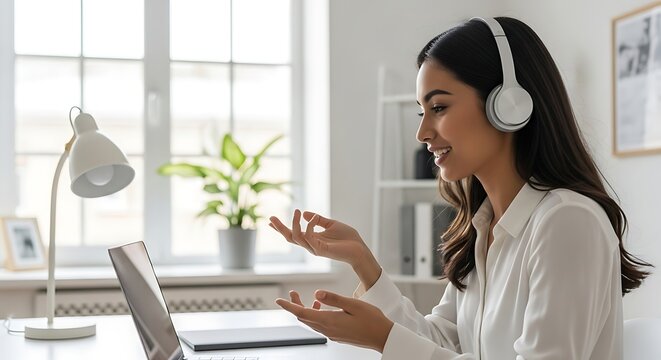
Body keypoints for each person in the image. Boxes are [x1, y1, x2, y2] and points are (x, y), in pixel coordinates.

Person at [268, 16, 652, 359]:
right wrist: (365, 266)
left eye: (438, 108)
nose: (422, 132)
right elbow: (443, 341)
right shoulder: (484, 226)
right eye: (422, 112)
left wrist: (387, 339)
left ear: (508, 103)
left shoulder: (567, 221)